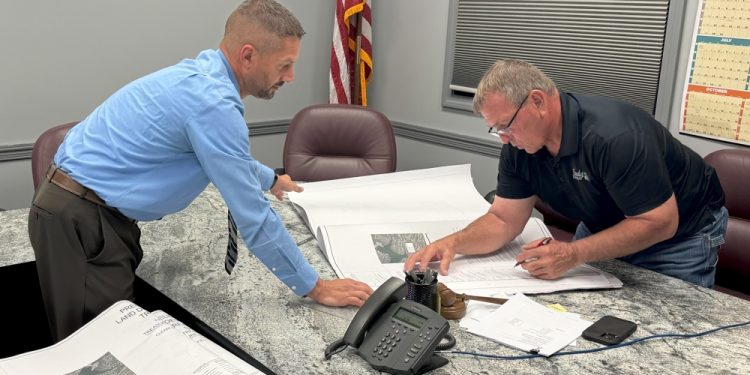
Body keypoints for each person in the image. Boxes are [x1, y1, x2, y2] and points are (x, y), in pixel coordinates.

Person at [29, 0, 372, 342]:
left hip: (89, 211)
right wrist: (316, 286)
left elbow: (223, 157)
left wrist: (271, 178)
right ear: (248, 55)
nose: (290, 77)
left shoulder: (202, 79)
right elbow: (254, 218)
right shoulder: (213, 104)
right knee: (102, 348)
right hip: (82, 220)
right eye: (284, 65)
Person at [404, 59, 727, 289]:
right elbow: (504, 219)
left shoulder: (616, 137)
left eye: (506, 125)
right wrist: (454, 242)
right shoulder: (520, 147)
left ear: (538, 101)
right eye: (495, 129)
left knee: (672, 339)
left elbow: (658, 223)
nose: (503, 137)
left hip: (679, 237)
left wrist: (573, 253)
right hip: (606, 225)